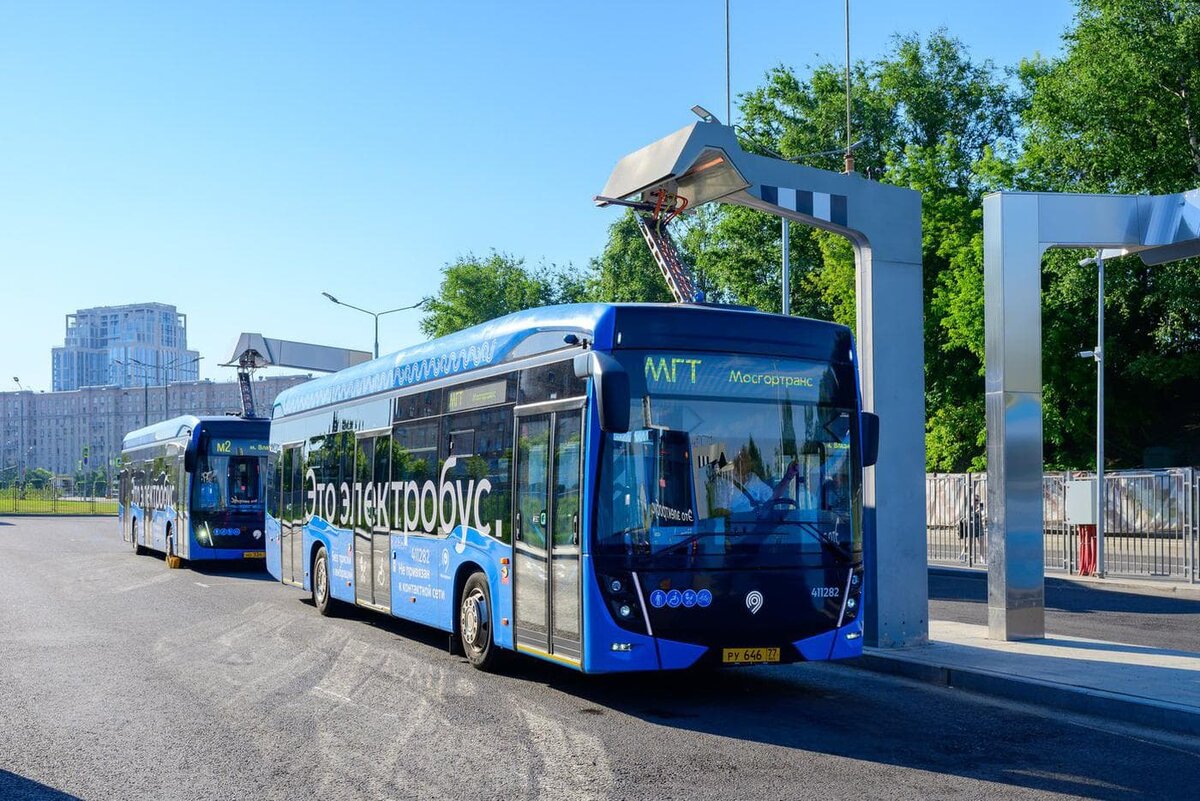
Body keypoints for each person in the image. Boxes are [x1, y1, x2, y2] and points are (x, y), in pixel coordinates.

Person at [958, 497, 985, 564]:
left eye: (978, 500)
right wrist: (976, 512)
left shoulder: (979, 508)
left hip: (979, 527)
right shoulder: (969, 507)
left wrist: (980, 510)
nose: (976, 502)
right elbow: (968, 516)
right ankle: (963, 555)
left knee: (981, 542)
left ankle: (982, 558)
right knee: (969, 543)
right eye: (975, 500)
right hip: (971, 527)